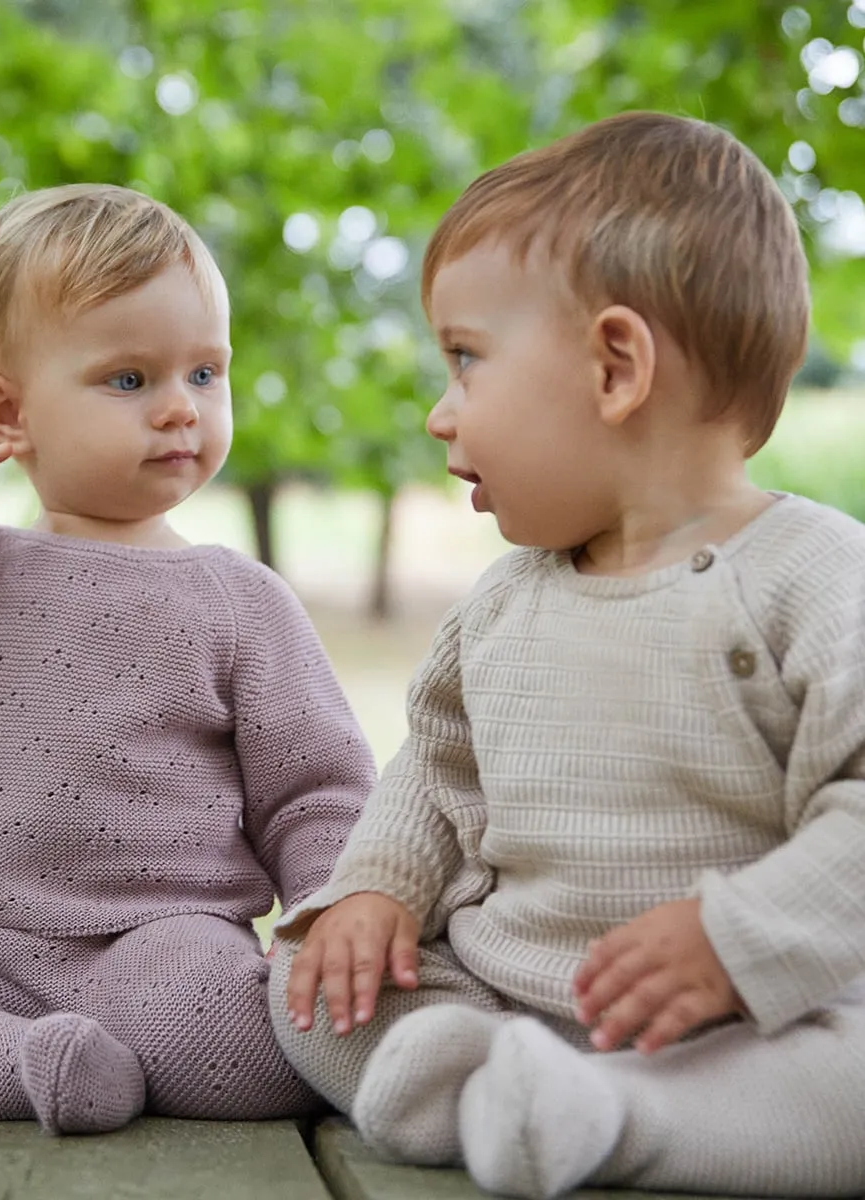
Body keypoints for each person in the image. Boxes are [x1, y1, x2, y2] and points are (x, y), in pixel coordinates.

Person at [268, 111, 865, 1198]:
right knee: (311, 984)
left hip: (748, 1026)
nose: (439, 414)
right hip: (507, 998)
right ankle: (494, 1083)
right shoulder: (504, 604)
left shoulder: (813, 576)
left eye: (465, 359)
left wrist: (737, 942)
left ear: (614, 367)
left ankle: (624, 1119)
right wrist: (376, 893)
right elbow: (433, 776)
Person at [0, 183, 375, 1134]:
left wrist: (325, 918)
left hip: (159, 939)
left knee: (236, 1042)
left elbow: (316, 791)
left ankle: (93, 1059)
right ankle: (28, 1066)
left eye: (204, 373)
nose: (178, 410)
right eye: (130, 380)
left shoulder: (237, 598)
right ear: (6, 410)